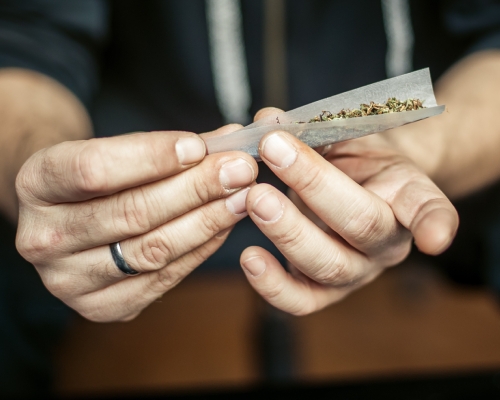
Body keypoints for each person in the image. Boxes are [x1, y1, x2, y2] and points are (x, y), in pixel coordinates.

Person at [0, 0, 499, 396]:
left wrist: (417, 150)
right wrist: (48, 180)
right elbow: (26, 41)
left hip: (441, 193)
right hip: (138, 210)